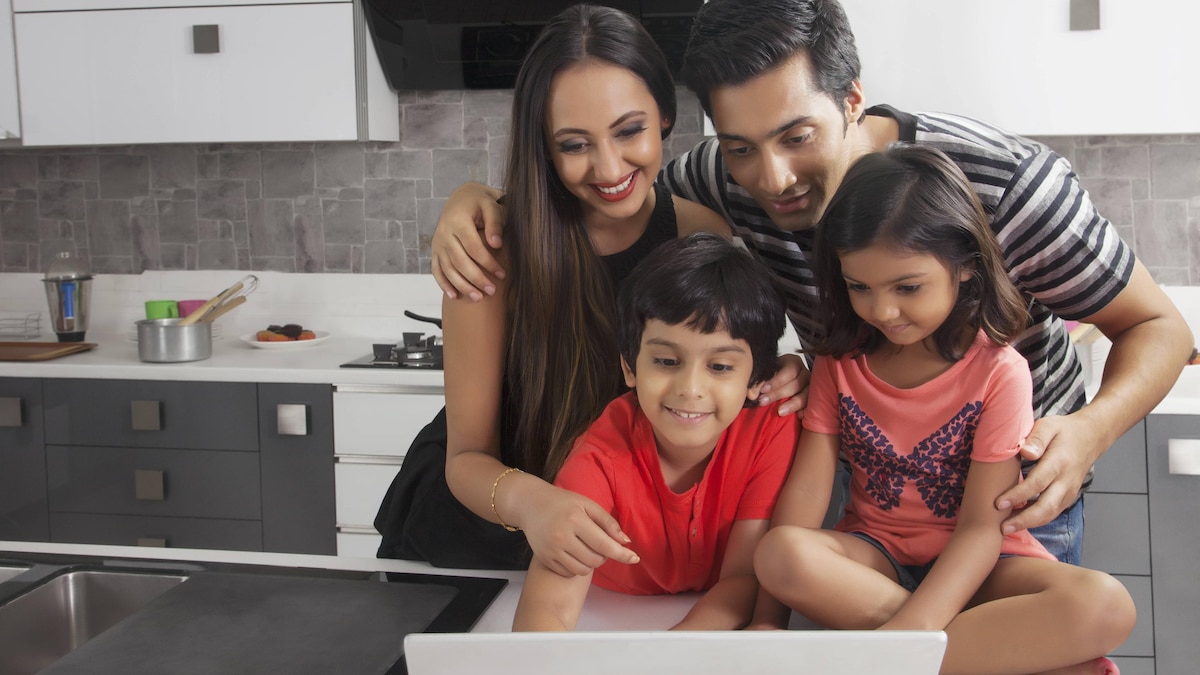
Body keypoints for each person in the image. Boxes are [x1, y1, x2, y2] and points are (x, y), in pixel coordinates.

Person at [427, 0, 1194, 564]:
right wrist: (478, 203)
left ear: (853, 96)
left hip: (1009, 499)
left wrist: (1090, 432)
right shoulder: (723, 187)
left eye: (797, 137)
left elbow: (1160, 327)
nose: (775, 178)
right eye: (741, 148)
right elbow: (609, 191)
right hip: (872, 506)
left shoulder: (1004, 186)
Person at [373, 4, 804, 573]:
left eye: (629, 131)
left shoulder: (702, 232)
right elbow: (465, 458)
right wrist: (539, 506)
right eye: (575, 144)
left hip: (614, 536)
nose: (608, 167)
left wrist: (786, 370)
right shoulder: (491, 247)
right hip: (484, 525)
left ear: (666, 117)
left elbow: (720, 371)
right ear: (545, 149)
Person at [754, 144, 1134, 674]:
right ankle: (984, 656)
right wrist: (766, 620)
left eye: (908, 287)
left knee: (1106, 604)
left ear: (964, 269)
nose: (882, 310)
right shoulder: (837, 362)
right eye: (859, 287)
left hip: (986, 567)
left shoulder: (999, 372)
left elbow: (983, 528)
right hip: (874, 558)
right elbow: (809, 491)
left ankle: (895, 659)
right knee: (779, 554)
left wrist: (907, 637)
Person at [513, 232, 797, 631]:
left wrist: (667, 657)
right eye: (666, 360)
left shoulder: (770, 430)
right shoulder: (600, 454)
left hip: (702, 622)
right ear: (630, 367)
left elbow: (743, 579)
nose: (690, 388)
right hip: (610, 612)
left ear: (756, 379)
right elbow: (549, 608)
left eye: (720, 367)